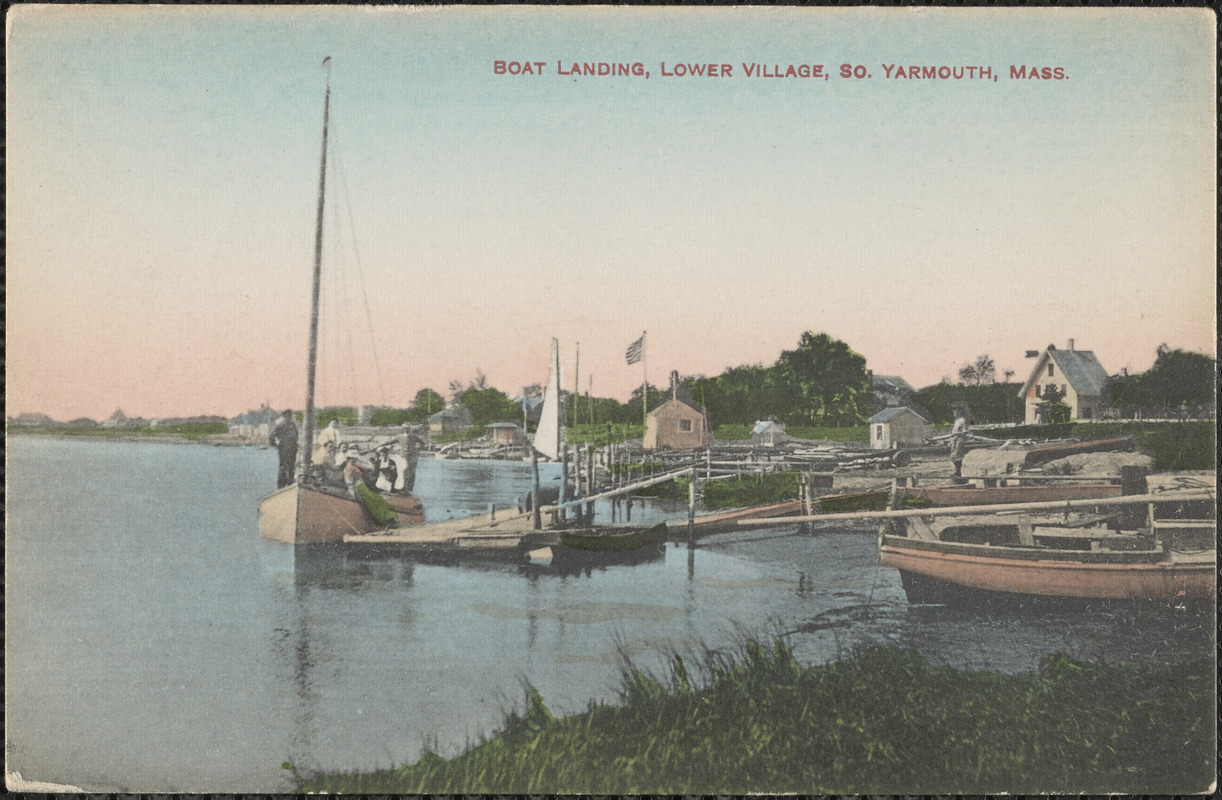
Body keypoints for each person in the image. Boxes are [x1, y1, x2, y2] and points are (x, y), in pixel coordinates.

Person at [268, 410, 298, 488]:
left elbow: (296, 436)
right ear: (284, 416)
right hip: (284, 450)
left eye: (290, 416)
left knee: (291, 467)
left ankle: (290, 484)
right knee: (283, 468)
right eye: (288, 416)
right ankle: (281, 486)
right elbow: (271, 437)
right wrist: (277, 445)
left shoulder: (293, 426)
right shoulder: (280, 426)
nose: (290, 417)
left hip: (293, 449)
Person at [949, 404, 970, 478]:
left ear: (959, 412)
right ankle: (957, 471)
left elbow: (964, 431)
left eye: (955, 412)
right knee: (953, 457)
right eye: (953, 412)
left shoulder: (962, 420)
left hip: (959, 440)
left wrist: (957, 434)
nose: (954, 413)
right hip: (954, 440)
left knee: (957, 456)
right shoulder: (956, 421)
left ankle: (959, 472)